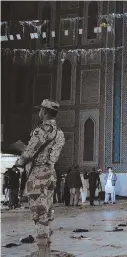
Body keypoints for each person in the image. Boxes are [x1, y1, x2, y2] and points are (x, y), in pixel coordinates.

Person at [14, 99, 65, 256]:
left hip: (38, 174)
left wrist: (19, 162)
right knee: (48, 210)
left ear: (44, 112)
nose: (39, 112)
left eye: (40, 110)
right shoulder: (60, 133)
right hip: (51, 173)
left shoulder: (42, 129)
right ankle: (47, 245)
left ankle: (42, 250)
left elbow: (30, 151)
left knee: (38, 211)